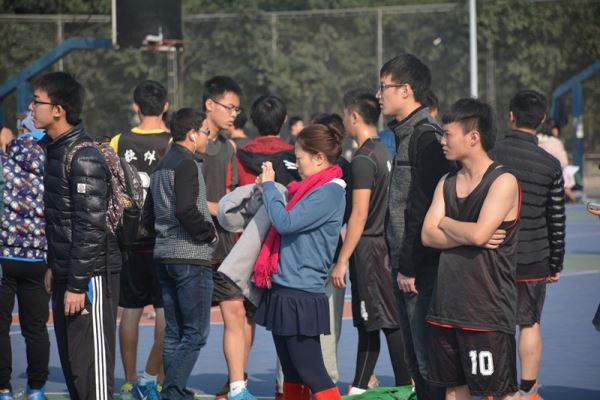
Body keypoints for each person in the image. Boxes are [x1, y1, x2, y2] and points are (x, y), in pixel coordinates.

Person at [422, 98, 521, 400]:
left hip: (486, 311)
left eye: (448, 134)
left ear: (473, 137)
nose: (442, 141)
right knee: (454, 390)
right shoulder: (446, 181)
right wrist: (468, 232)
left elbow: (480, 235)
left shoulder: (503, 181)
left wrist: (445, 222)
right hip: (446, 308)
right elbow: (427, 235)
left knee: (501, 393)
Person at [34, 71, 122, 399]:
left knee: (92, 375)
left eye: (37, 101)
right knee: (75, 369)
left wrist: (76, 284)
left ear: (58, 110)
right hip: (68, 272)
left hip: (91, 277)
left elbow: (90, 227)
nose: (31, 108)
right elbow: (62, 221)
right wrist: (55, 266)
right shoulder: (54, 150)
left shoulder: (84, 157)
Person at [254, 123, 346, 400]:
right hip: (286, 287)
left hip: (301, 292)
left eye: (299, 158)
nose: (296, 164)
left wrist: (269, 187)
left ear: (319, 158)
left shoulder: (329, 192)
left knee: (312, 372)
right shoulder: (310, 189)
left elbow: (285, 221)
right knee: (292, 372)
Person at [377, 54, 450, 400]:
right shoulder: (406, 135)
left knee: (426, 360)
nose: (379, 95)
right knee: (414, 360)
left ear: (406, 90)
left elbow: (421, 210)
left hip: (420, 269)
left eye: (384, 87)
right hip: (404, 262)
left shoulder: (426, 137)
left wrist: (409, 263)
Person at [331, 89, 411, 394]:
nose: (344, 121)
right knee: (372, 321)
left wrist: (342, 260)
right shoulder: (383, 151)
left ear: (354, 116)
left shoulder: (364, 159)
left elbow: (359, 215)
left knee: (383, 321)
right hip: (381, 245)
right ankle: (361, 386)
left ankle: (404, 386)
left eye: (345, 115)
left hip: (369, 248)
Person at [491, 91, 565, 400]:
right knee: (529, 323)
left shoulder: (491, 154)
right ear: (543, 120)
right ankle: (528, 391)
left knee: (497, 326)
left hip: (494, 256)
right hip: (534, 258)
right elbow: (556, 219)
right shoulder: (550, 164)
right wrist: (556, 262)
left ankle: (500, 390)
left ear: (510, 116)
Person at [144, 108, 217, 400]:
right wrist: (209, 233)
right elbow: (187, 210)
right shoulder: (187, 163)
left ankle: (171, 389)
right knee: (195, 333)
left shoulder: (163, 164)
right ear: (192, 134)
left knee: (174, 331)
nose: (208, 137)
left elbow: (149, 214)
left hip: (164, 254)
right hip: (190, 256)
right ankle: (173, 391)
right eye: (206, 132)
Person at [109, 80, 172, 400]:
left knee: (130, 310)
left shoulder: (118, 141)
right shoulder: (172, 141)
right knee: (164, 311)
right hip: (163, 237)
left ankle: (130, 380)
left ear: (135, 106)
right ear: (166, 107)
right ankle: (157, 379)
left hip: (130, 238)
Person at [0, 113, 48, 400]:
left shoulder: (5, 164)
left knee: (1, 327)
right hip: (39, 257)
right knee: (36, 328)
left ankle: (4, 389)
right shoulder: (51, 162)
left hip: (5, 255)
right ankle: (36, 388)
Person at [200, 76, 241, 266]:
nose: (234, 114)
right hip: (194, 248)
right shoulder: (188, 144)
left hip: (223, 248)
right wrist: (214, 208)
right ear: (210, 104)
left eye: (237, 109)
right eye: (229, 108)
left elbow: (230, 190)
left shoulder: (229, 147)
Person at [536, 118, 576, 202]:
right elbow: (563, 162)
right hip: (553, 174)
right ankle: (573, 198)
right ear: (553, 129)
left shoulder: (536, 140)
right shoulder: (555, 143)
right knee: (564, 173)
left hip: (538, 173)